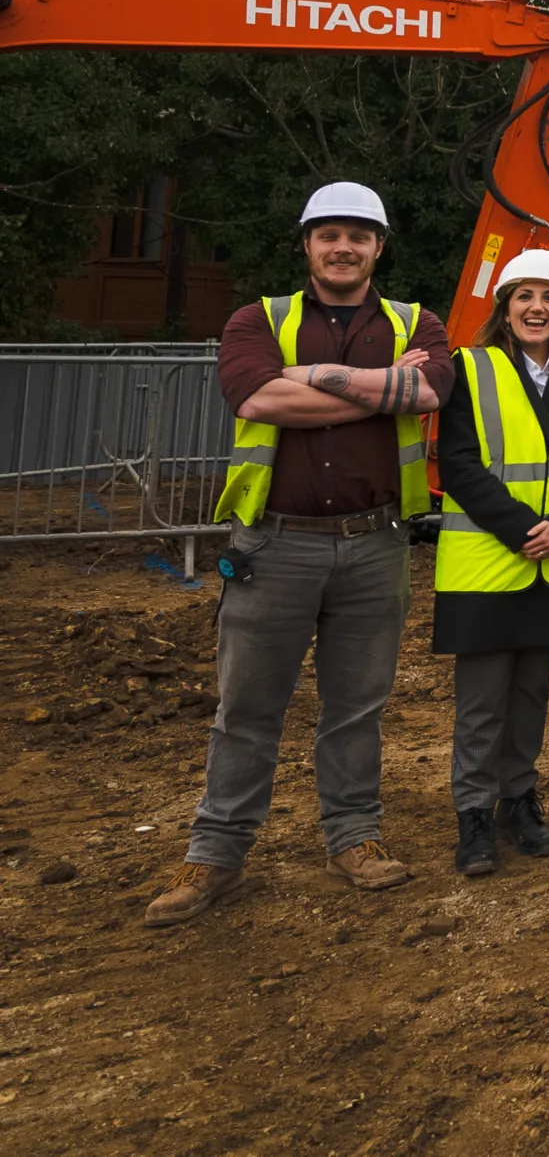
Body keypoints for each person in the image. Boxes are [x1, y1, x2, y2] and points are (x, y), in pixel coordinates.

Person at [147, 183, 452, 928]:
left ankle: (354, 836)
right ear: (307, 245)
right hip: (273, 545)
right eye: (329, 235)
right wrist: (385, 390)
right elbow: (255, 401)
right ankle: (214, 853)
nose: (343, 247)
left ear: (380, 246)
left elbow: (429, 391)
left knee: (357, 708)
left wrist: (306, 380)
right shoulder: (259, 319)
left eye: (359, 235)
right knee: (246, 709)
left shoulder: (421, 323)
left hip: (375, 544)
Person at [430, 249, 549, 877]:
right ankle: (473, 813)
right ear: (504, 309)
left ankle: (518, 799)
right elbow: (456, 462)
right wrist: (519, 529)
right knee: (482, 700)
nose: (538, 308)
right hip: (487, 562)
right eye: (525, 297)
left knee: (532, 691)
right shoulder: (469, 369)